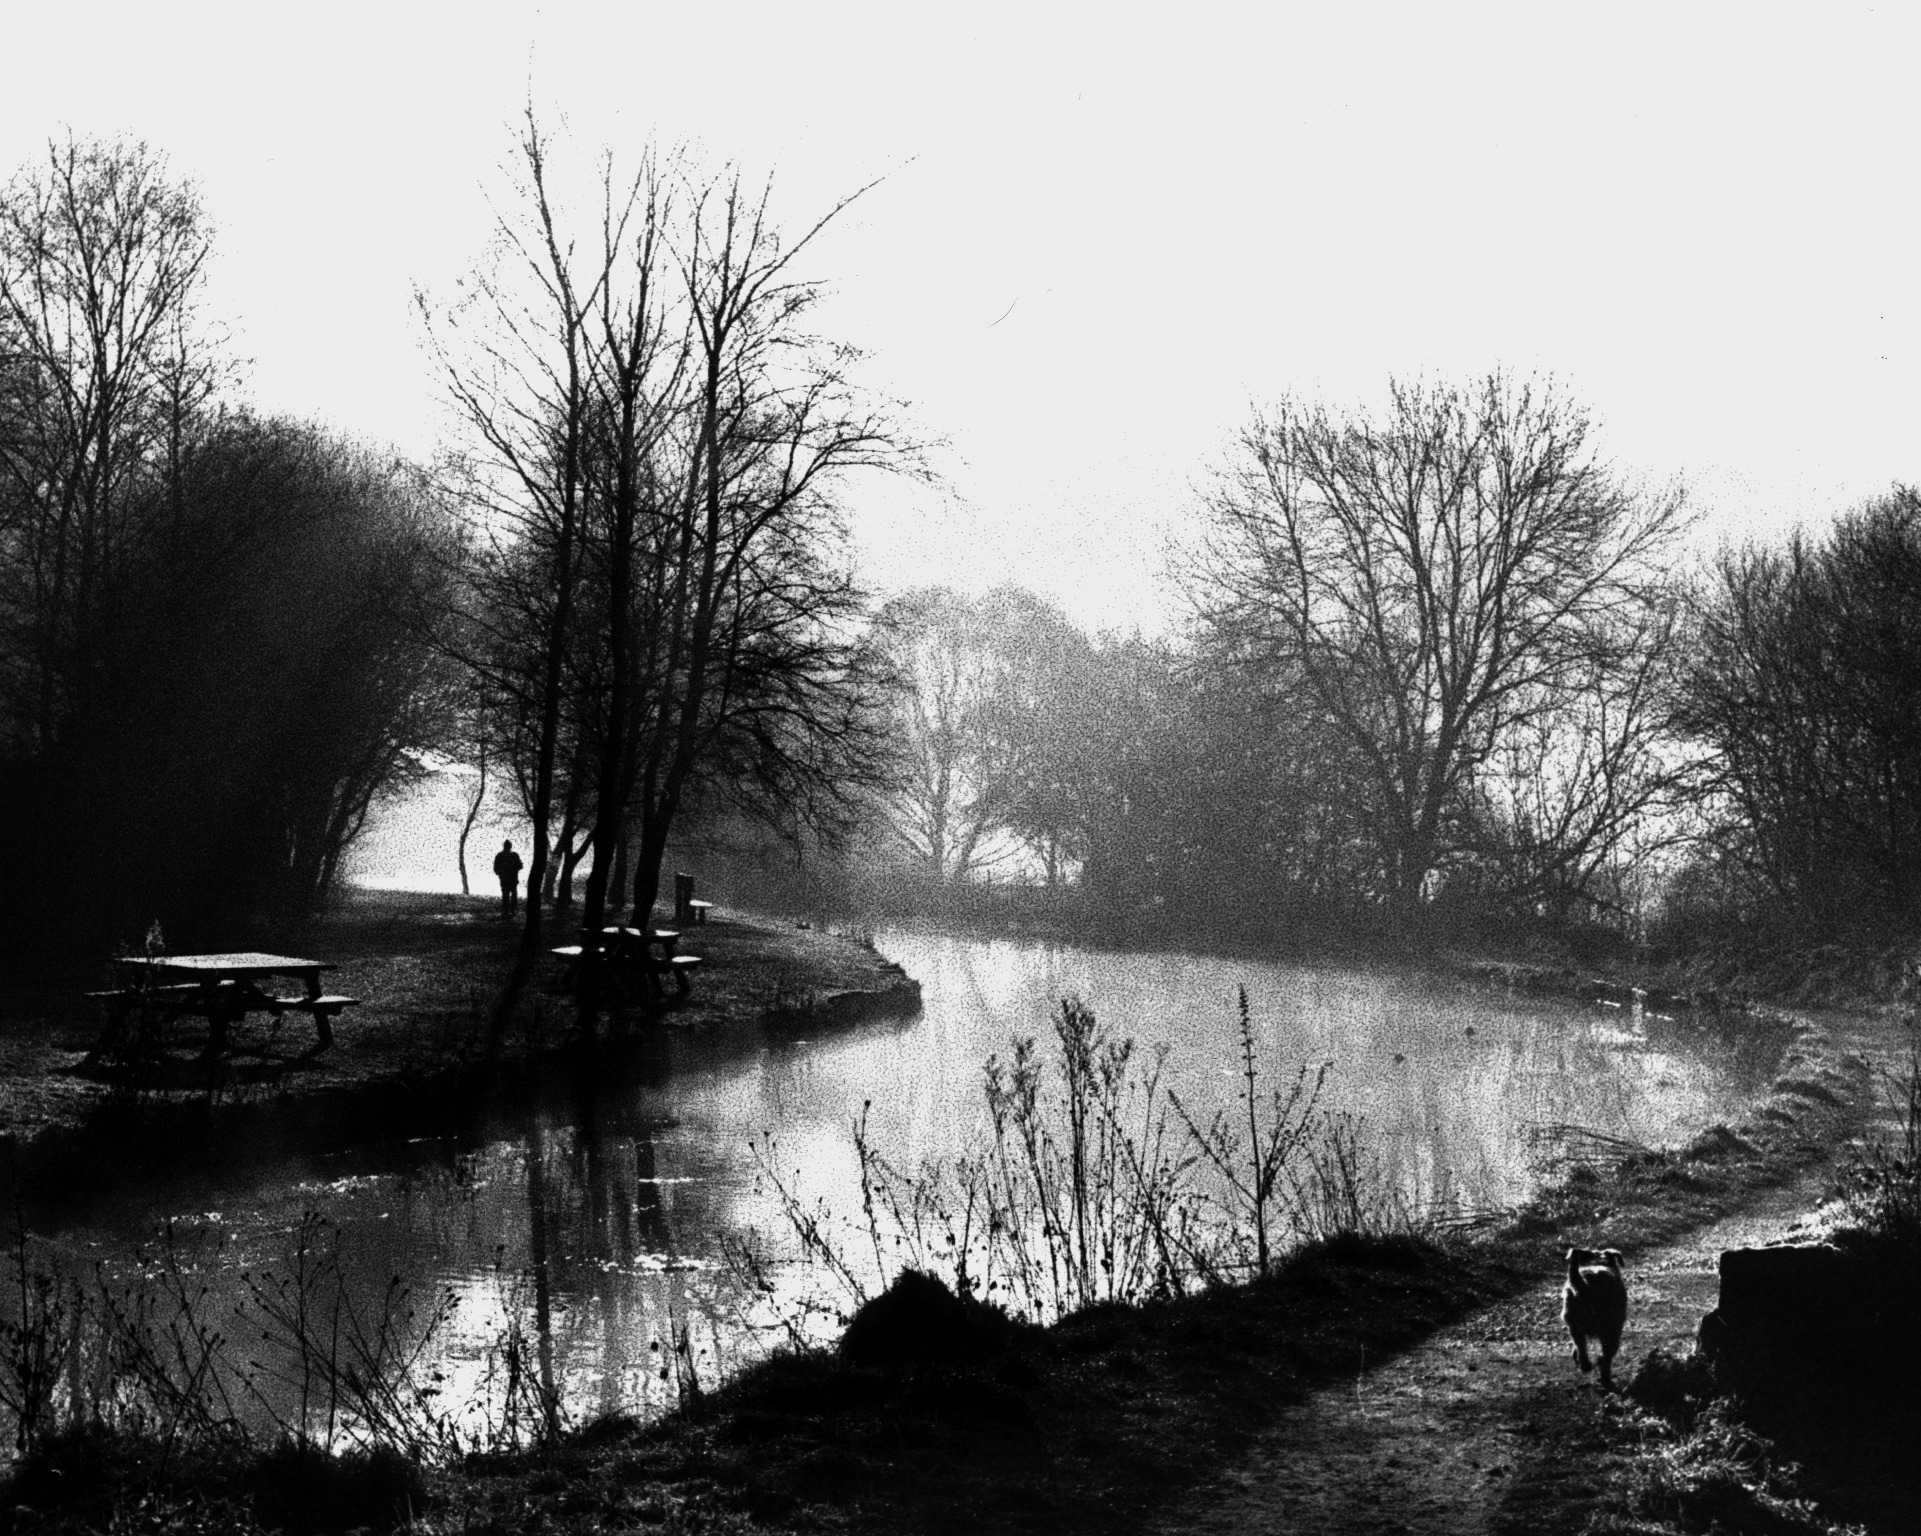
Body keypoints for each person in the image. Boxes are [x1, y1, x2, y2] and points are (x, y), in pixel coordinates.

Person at [493, 838, 524, 919]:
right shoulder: (514, 855)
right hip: (512, 879)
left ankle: (506, 911)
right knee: (512, 895)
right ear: (510, 846)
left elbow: (496, 869)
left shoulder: (500, 856)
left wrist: (501, 874)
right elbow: (520, 866)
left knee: (506, 895)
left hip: (505, 879)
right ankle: (511, 911)